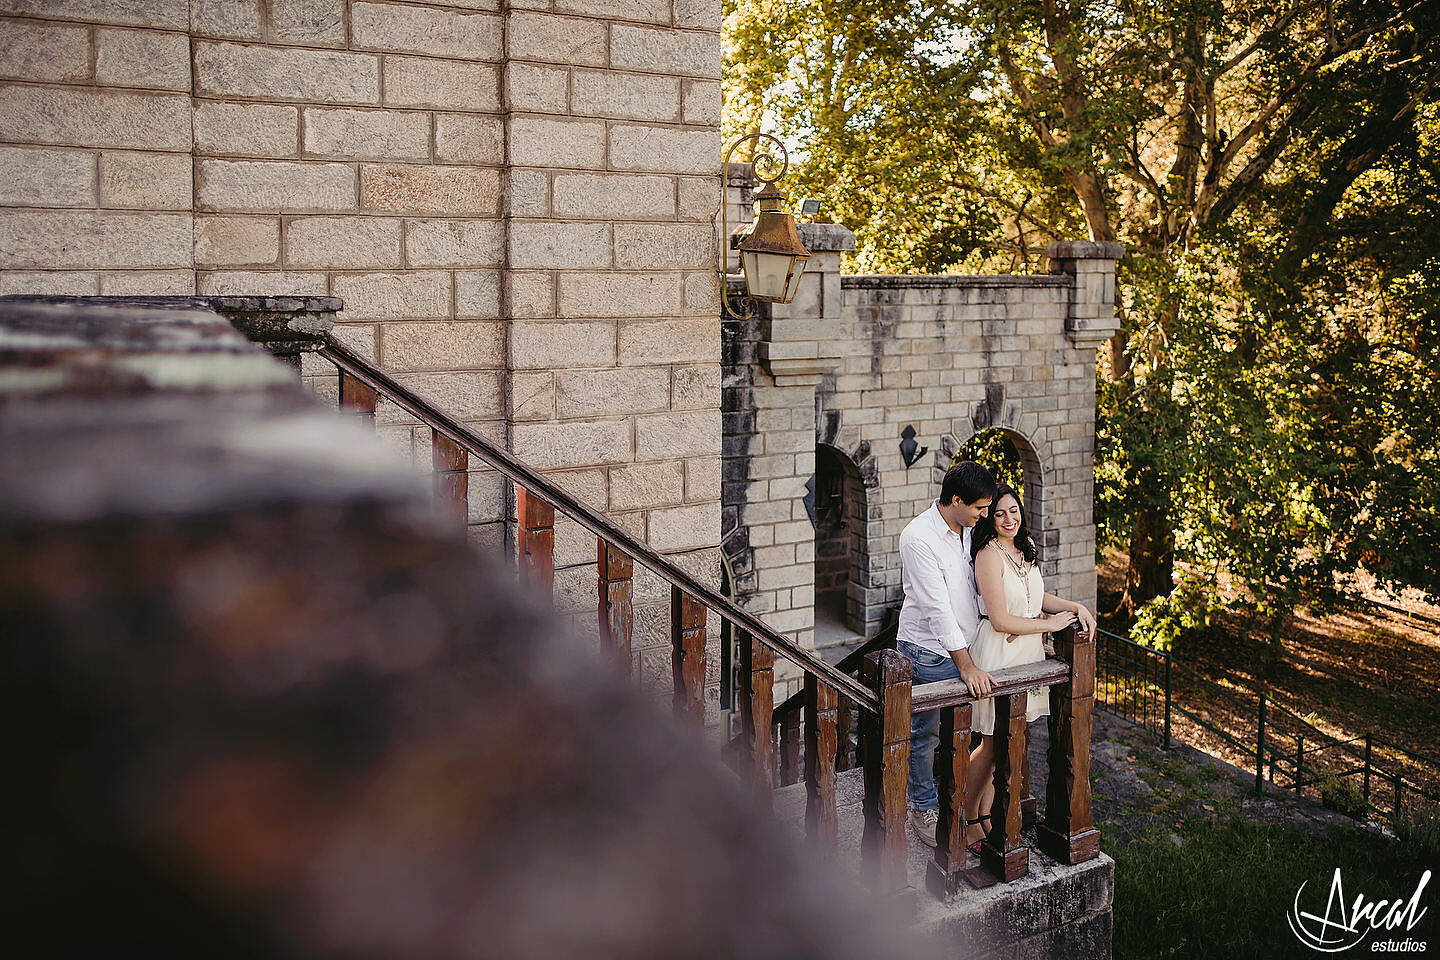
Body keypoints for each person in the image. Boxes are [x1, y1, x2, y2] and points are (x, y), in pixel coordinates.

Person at [961, 483, 1097, 855]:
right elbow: (1002, 619)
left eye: (1014, 511)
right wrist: (1049, 626)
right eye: (1000, 512)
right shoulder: (988, 555)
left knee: (1006, 745)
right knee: (991, 744)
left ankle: (985, 814)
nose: (1009, 519)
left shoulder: (1024, 550)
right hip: (999, 654)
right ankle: (966, 819)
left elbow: (1038, 598)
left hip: (1025, 656)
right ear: (990, 516)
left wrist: (1075, 606)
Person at [896, 461, 999, 848]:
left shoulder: (967, 529)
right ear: (956, 500)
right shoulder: (918, 538)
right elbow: (938, 609)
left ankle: (964, 806)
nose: (984, 515)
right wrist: (967, 665)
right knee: (924, 738)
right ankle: (923, 807)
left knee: (965, 733)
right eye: (979, 508)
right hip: (929, 652)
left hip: (964, 648)